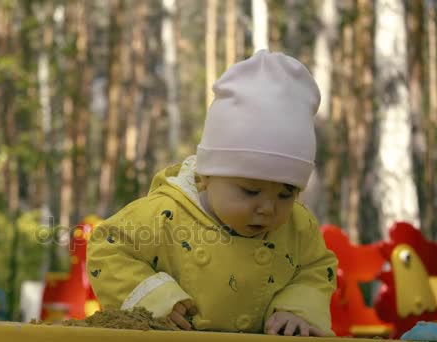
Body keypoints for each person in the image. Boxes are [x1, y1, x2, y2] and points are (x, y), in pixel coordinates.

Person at [86, 50, 338, 337]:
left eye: (286, 193)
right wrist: (153, 300)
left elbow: (317, 267)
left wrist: (297, 309)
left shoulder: (299, 227)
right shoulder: (167, 213)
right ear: (206, 176)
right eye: (250, 190)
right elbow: (108, 245)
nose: (268, 207)